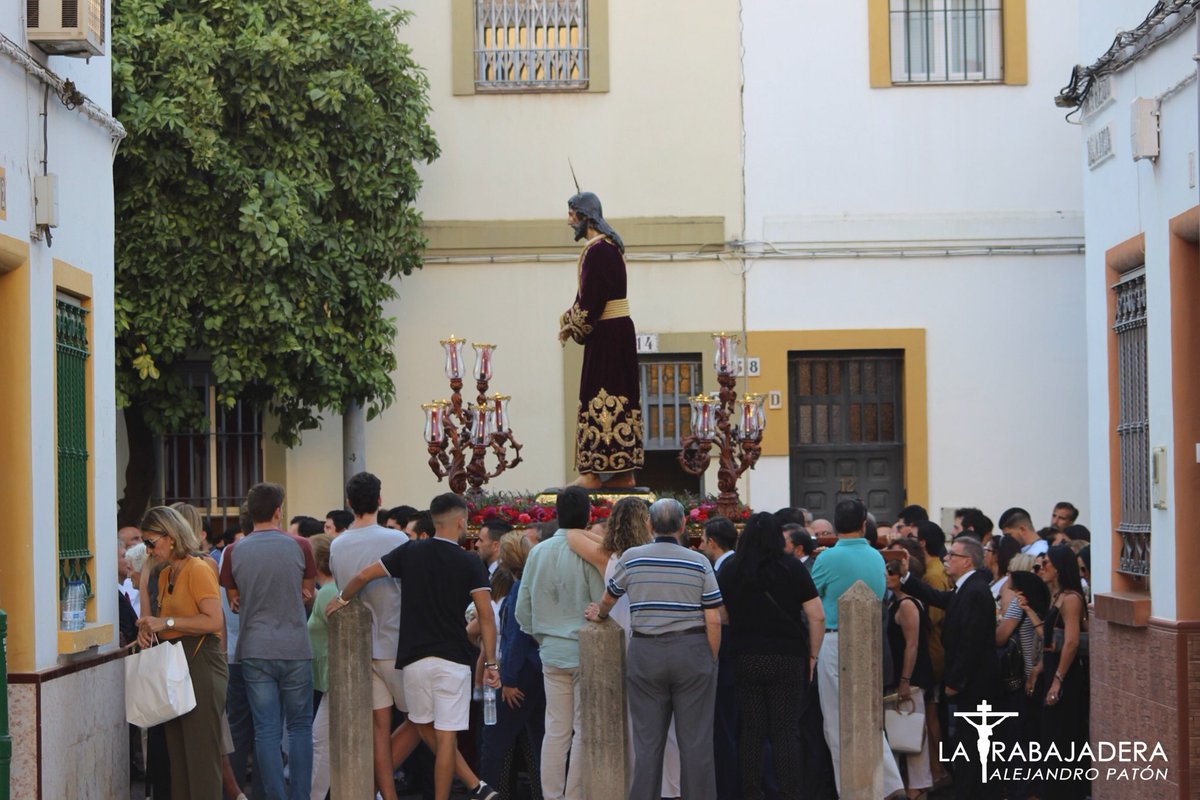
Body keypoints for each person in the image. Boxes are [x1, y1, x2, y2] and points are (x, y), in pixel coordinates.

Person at [328, 493, 501, 800]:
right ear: (461, 522)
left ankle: (476, 787)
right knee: (446, 740)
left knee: (423, 727)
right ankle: (458, 792)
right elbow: (486, 616)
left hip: (414, 660)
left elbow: (362, 576)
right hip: (453, 659)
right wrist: (491, 663)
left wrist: (341, 599)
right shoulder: (469, 561)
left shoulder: (410, 551)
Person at [586, 498, 723, 800]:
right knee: (696, 743)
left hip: (646, 652)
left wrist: (601, 613)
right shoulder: (698, 561)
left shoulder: (632, 558)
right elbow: (713, 616)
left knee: (647, 743)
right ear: (684, 524)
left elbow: (609, 599)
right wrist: (710, 659)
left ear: (649, 525)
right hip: (691, 649)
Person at [220, 483, 317, 800]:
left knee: (266, 729)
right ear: (278, 511)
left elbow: (234, 600)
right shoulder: (301, 545)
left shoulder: (234, 552)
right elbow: (307, 594)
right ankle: (300, 795)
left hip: (254, 648)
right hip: (294, 646)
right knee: (301, 727)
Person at [718, 513, 824, 800]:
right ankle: (790, 792)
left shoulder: (730, 569)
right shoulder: (792, 567)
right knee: (785, 730)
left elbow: (721, 615)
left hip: (745, 657)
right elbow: (817, 616)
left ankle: (751, 791)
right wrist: (812, 656)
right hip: (787, 658)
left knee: (752, 730)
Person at [810, 499, 905, 798]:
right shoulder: (877, 557)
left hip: (836, 639)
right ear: (864, 525)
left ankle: (852, 792)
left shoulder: (827, 559)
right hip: (868, 639)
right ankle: (889, 784)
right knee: (867, 718)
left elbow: (810, 596)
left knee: (837, 722)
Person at [515, 487, 605, 800]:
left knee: (555, 730)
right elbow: (600, 603)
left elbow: (521, 608)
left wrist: (540, 634)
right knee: (581, 730)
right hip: (583, 650)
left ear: (555, 515)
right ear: (589, 516)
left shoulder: (538, 552)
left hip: (550, 651)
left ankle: (551, 796)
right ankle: (574, 796)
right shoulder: (586, 551)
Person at [328, 471, 410, 800]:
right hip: (396, 639)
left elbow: (339, 588)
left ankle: (383, 793)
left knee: (379, 727)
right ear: (379, 500)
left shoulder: (338, 544)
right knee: (423, 718)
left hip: (360, 645)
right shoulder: (398, 540)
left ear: (349, 503)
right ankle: (379, 785)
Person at [136, 506, 228, 799]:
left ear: (171, 537)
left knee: (201, 755)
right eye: (145, 544)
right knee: (179, 757)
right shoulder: (165, 574)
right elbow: (155, 624)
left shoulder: (198, 568)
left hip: (200, 661)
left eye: (151, 542)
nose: (148, 550)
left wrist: (167, 622)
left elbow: (213, 620)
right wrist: (149, 623)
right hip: (174, 661)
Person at [899, 536, 999, 800]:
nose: (946, 559)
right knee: (967, 740)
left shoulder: (976, 591)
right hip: (971, 681)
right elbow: (940, 598)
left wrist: (955, 679)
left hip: (976, 683)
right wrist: (906, 577)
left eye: (952, 555)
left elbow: (970, 641)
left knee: (973, 741)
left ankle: (973, 792)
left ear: (967, 561)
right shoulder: (965, 588)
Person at [559, 191, 643, 489]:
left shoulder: (597, 252)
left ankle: (592, 473)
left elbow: (590, 302)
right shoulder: (609, 248)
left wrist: (570, 323)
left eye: (572, 215)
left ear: (585, 216)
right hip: (617, 333)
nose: (570, 222)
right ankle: (622, 471)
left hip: (606, 335)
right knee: (621, 394)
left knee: (597, 395)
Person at [484, 532, 546, 800]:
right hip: (537, 672)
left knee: (494, 741)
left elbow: (516, 638)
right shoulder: (533, 584)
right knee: (538, 740)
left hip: (519, 675)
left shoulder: (519, 588)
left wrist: (508, 680)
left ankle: (488, 793)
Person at [1028, 546, 1090, 800]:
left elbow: (1072, 642)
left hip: (1067, 674)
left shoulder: (1071, 598)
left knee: (1061, 735)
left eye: (1046, 564)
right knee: (1049, 735)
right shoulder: (1057, 596)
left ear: (1059, 567)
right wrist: (1039, 668)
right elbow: (1053, 639)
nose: (1042, 568)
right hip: (1053, 668)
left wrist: (1057, 680)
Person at [884, 557, 933, 800]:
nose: (886, 575)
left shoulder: (907, 605)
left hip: (910, 683)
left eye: (891, 571)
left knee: (913, 737)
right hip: (903, 681)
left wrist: (905, 680)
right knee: (906, 735)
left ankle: (917, 788)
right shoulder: (894, 603)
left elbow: (912, 645)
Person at [701, 517, 739, 800]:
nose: (701, 544)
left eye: (703, 540)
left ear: (712, 543)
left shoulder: (721, 571)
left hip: (726, 658)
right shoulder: (733, 565)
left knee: (724, 728)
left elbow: (719, 617)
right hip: (738, 656)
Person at [308, 533, 338, 800]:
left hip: (334, 680)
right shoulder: (327, 590)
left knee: (320, 742)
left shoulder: (328, 591)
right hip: (330, 680)